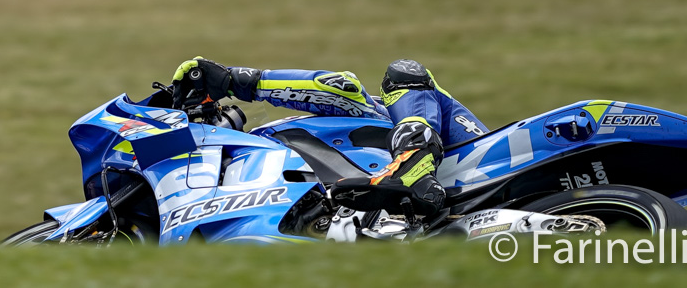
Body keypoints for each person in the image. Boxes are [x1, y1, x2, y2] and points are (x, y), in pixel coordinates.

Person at [171, 57, 486, 218]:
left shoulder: (364, 110)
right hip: (438, 182)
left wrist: (234, 81)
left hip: (475, 153)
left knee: (404, 73)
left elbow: (340, 86)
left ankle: (415, 161)